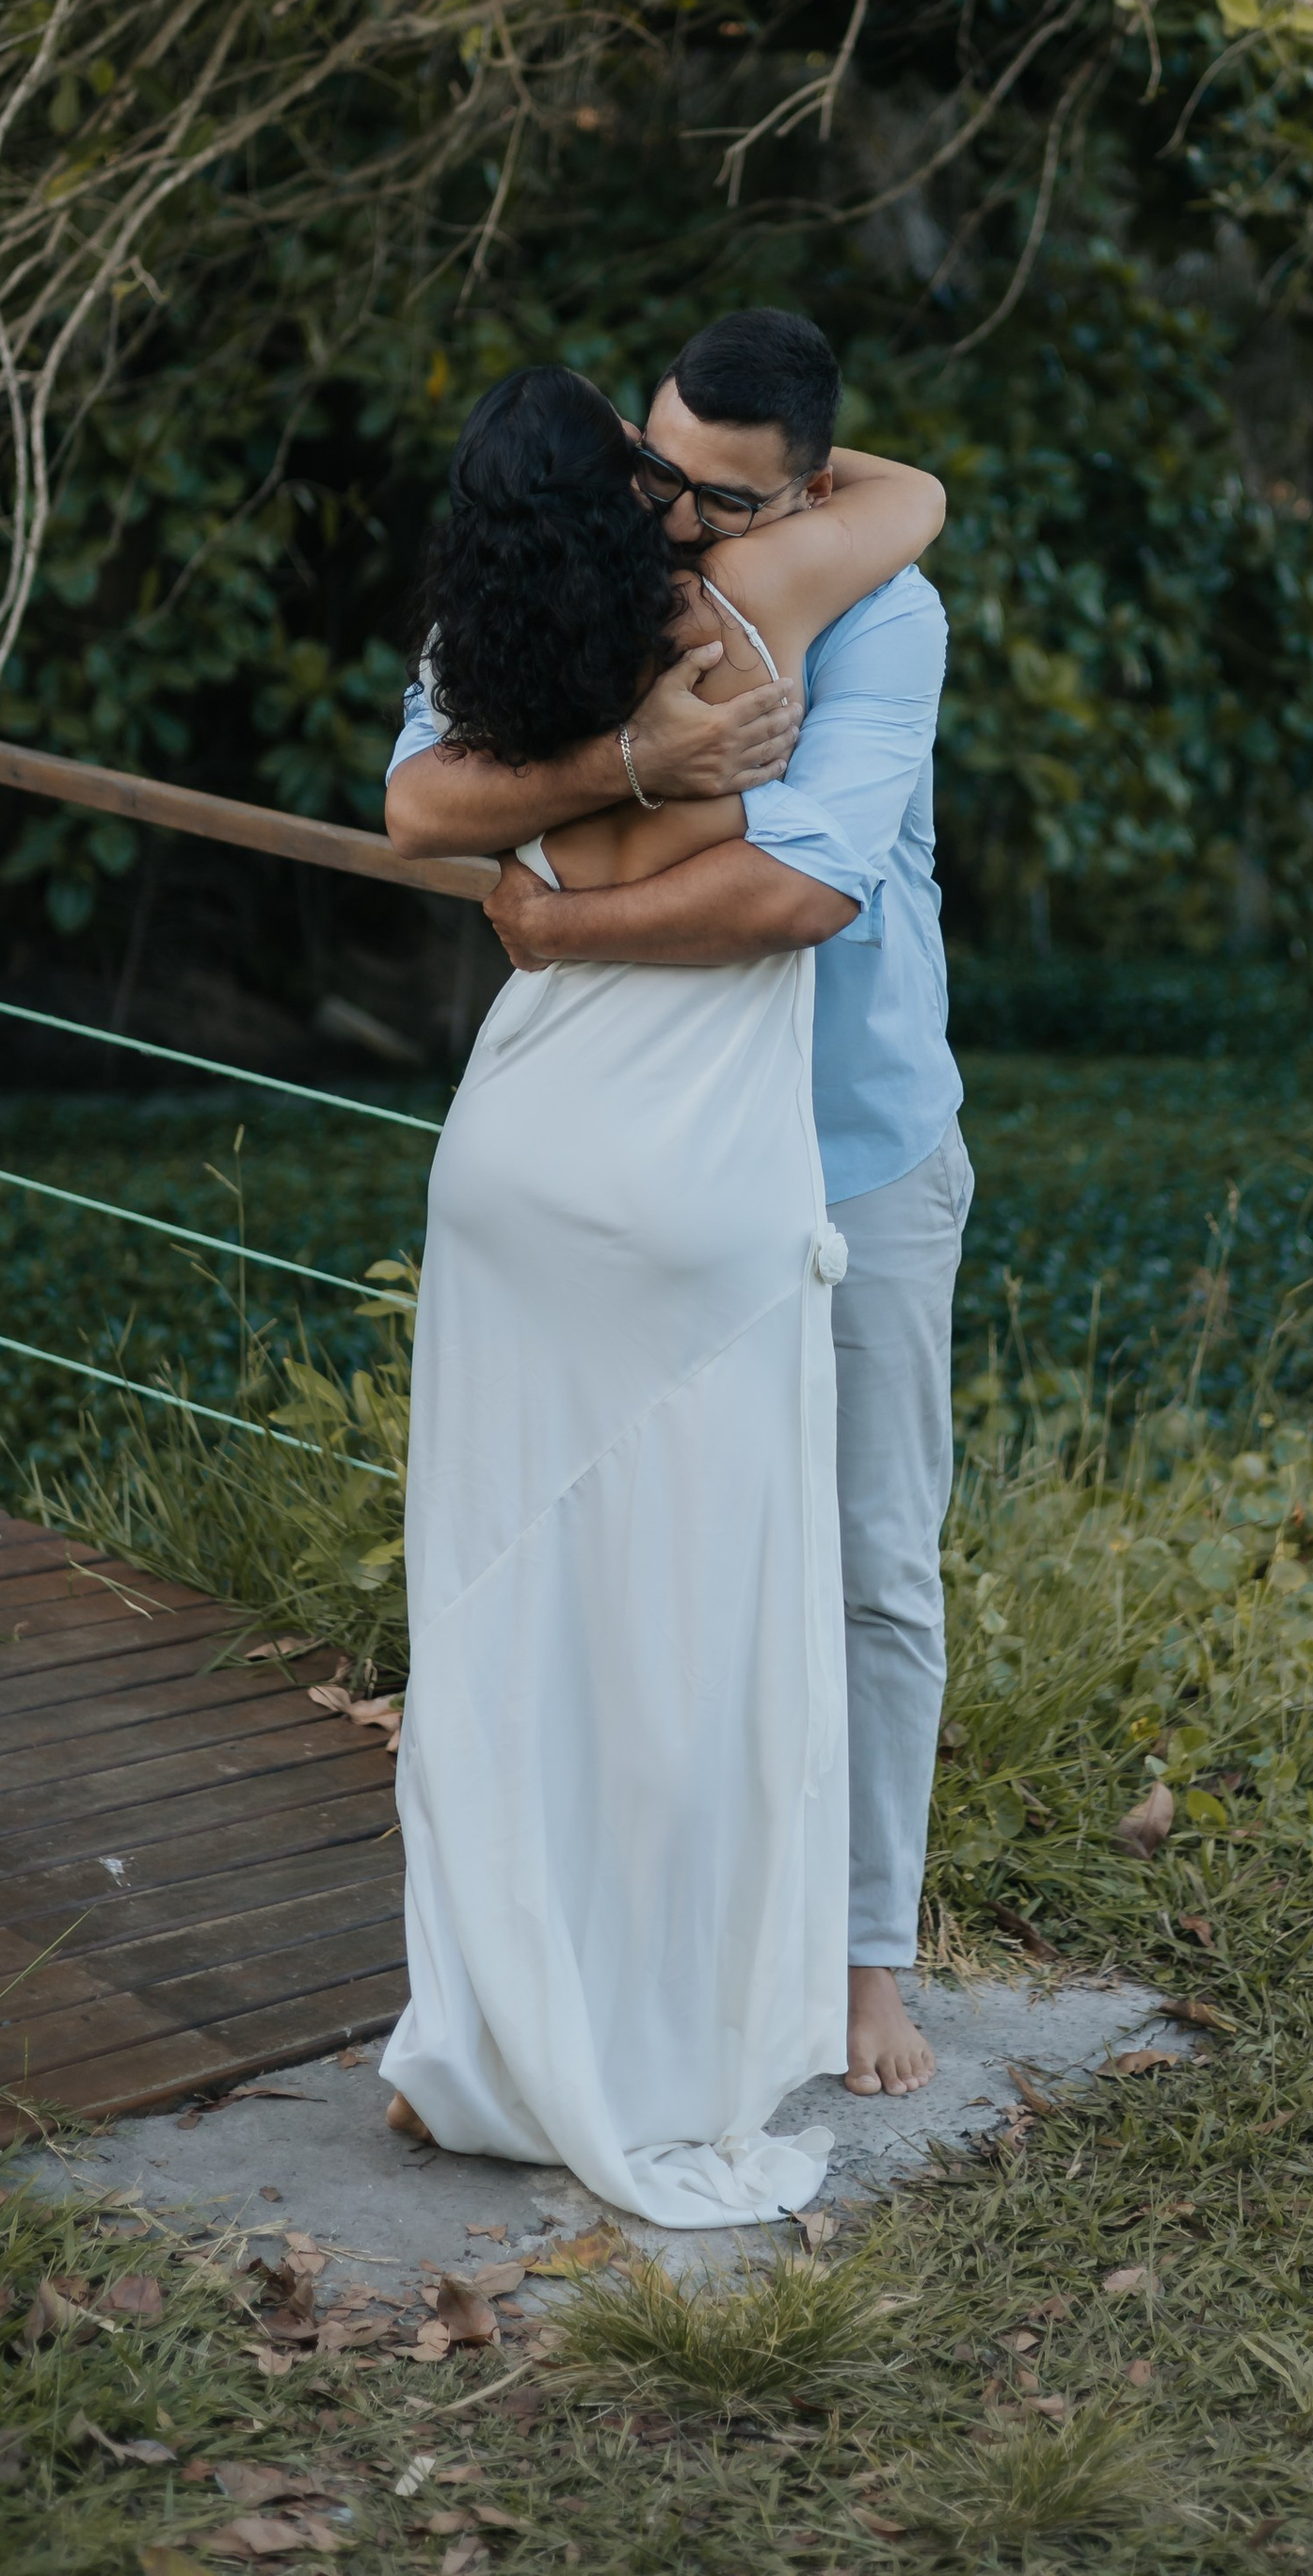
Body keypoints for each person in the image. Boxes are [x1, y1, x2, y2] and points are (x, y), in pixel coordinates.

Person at [376, 356, 947, 2224]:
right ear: (619, 470)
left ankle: (532, 2015)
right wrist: (643, 764)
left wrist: (545, 912)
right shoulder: (749, 607)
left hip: (630, 1142)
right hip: (704, 1179)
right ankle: (681, 2015)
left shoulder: (507, 632)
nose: (679, 513)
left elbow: (803, 895)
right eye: (650, 476)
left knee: (541, 1599)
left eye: (716, 490)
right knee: (712, 1611)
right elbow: (914, 487)